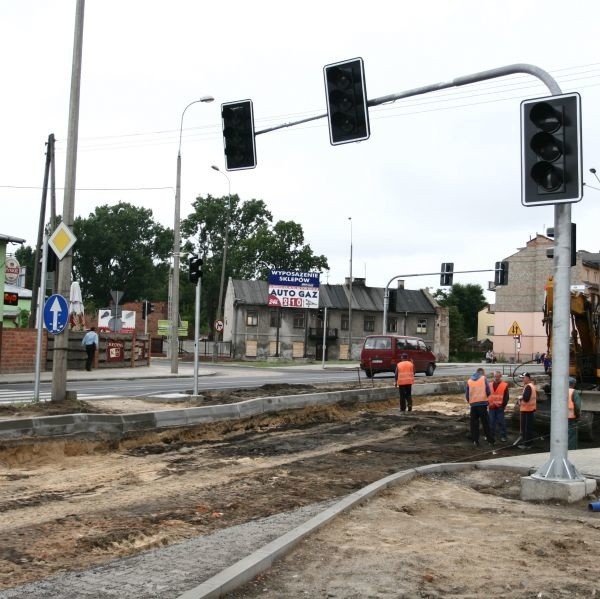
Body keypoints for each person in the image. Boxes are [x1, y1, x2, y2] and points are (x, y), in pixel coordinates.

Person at [466, 367, 494, 448]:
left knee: (474, 424)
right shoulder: (483, 378)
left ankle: (475, 441)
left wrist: (471, 401)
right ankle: (490, 441)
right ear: (482, 373)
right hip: (482, 404)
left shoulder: (469, 381)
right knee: (486, 423)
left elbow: (467, 395)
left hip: (473, 406)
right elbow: (488, 390)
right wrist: (485, 398)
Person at [488, 370, 509, 443]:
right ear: (494, 376)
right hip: (491, 407)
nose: (496, 378)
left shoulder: (504, 385)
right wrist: (488, 404)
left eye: (498, 376)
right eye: (495, 376)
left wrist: (503, 406)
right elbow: (487, 395)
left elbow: (506, 397)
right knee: (491, 422)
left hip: (500, 407)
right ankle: (491, 436)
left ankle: (503, 436)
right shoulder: (489, 384)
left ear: (500, 376)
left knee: (501, 422)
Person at [517, 372, 537, 449]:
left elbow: (526, 398)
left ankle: (527, 444)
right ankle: (528, 443)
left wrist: (520, 397)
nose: (522, 379)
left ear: (528, 378)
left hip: (527, 410)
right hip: (529, 410)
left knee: (526, 428)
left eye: (523, 378)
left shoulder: (528, 387)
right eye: (522, 378)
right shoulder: (530, 386)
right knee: (528, 428)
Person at [568, 377, 582, 450]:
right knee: (572, 435)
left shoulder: (561, 391)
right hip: (571, 417)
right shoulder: (574, 392)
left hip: (561, 417)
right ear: (573, 384)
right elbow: (577, 406)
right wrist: (578, 415)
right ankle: (571, 450)